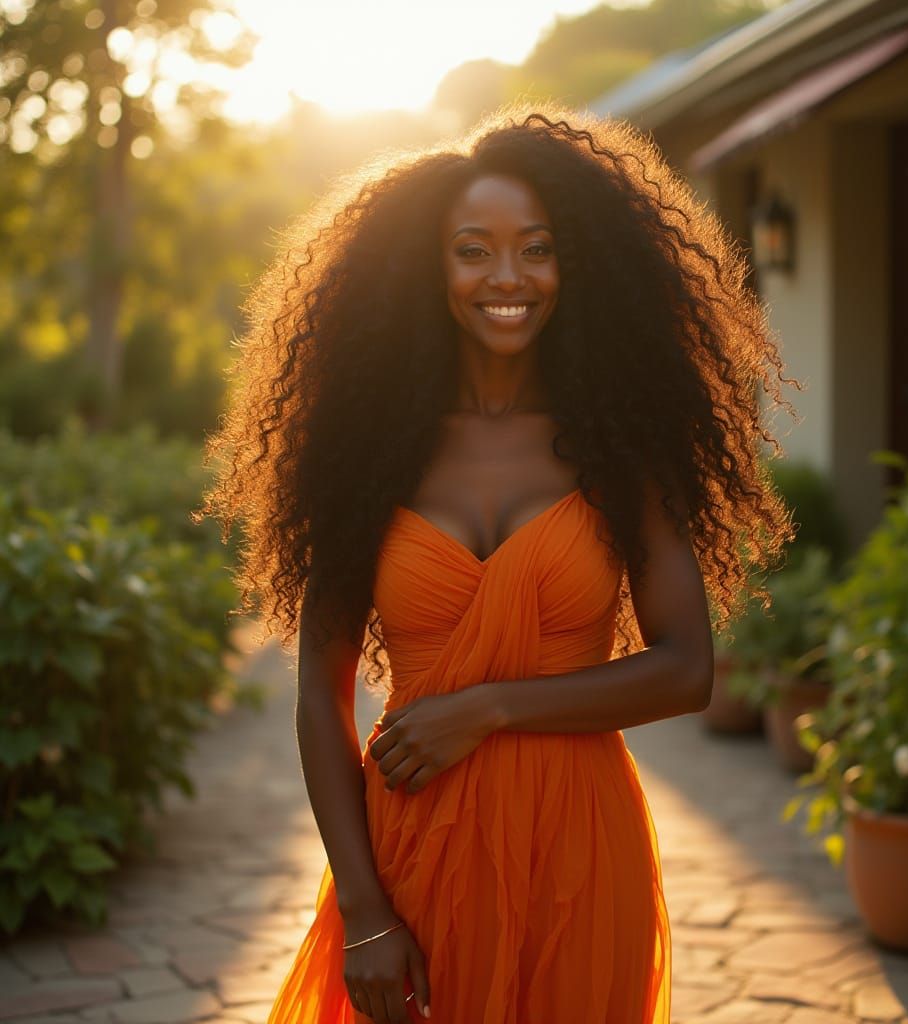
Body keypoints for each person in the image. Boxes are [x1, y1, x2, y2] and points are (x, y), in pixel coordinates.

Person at [198, 103, 796, 1024]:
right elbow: (321, 693)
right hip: (410, 845)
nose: (507, 276)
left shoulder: (621, 447)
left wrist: (488, 707)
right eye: (473, 249)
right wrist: (362, 909)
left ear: (578, 264)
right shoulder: (371, 453)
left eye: (538, 248)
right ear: (426, 269)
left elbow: (686, 670)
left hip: (577, 849)